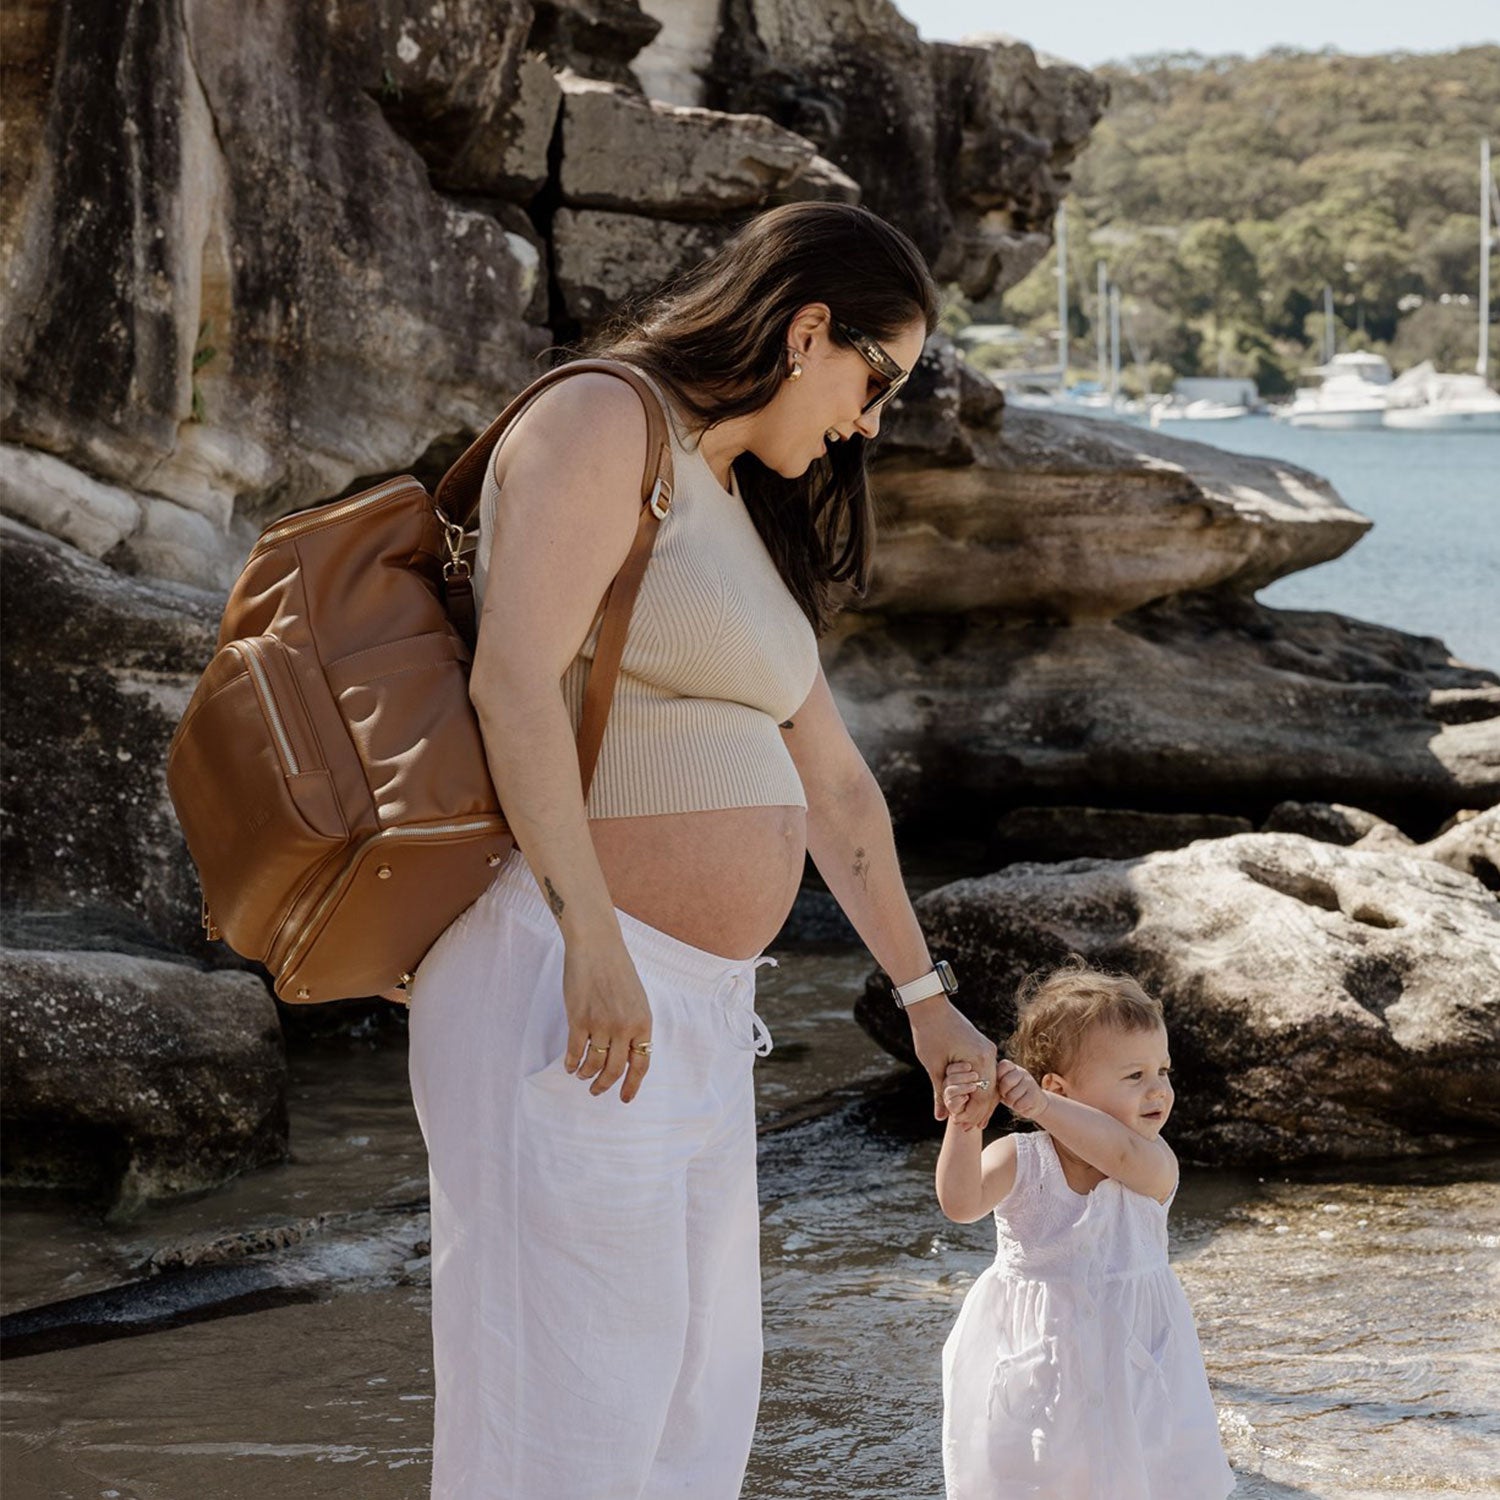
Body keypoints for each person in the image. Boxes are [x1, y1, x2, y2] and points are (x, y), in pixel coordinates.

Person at [406, 201, 1000, 1500]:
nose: (872, 420)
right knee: (562, 1424)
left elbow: (839, 794)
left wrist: (927, 1004)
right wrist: (592, 939)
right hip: (567, 984)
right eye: (877, 376)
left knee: (689, 1412)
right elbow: (512, 687)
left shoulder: (735, 505)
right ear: (806, 331)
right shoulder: (601, 420)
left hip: (697, 1013)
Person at [936, 960, 1236, 1500]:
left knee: (1146, 1468)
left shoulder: (1152, 1161)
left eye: (1163, 1072)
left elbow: (1116, 1150)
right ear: (1059, 1086)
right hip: (1043, 1363)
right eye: (1134, 1076)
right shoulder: (1020, 1159)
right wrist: (964, 1122)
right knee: (1042, 1473)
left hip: (1134, 1362)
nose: (1158, 1091)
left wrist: (1044, 1108)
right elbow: (960, 1204)